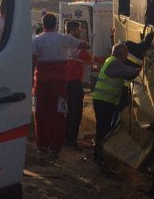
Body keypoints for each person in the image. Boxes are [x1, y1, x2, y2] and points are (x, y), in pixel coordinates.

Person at [32, 13, 89, 159]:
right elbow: (84, 45)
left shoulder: (36, 40)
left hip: (41, 82)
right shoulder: (64, 39)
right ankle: (55, 148)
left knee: (40, 113)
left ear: (43, 25)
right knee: (58, 114)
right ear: (56, 24)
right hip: (59, 83)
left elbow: (32, 60)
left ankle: (42, 146)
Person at [92, 42, 139, 164]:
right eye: (126, 53)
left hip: (103, 100)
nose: (127, 56)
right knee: (104, 128)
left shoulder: (110, 60)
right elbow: (129, 72)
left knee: (102, 127)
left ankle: (100, 154)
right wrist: (141, 68)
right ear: (122, 54)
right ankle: (101, 156)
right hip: (104, 101)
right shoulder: (115, 63)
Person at [65, 21, 92, 150]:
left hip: (67, 80)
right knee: (76, 111)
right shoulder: (75, 44)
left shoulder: (64, 42)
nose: (80, 31)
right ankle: (71, 140)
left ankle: (66, 137)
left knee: (69, 111)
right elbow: (88, 58)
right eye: (78, 29)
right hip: (74, 81)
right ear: (71, 30)